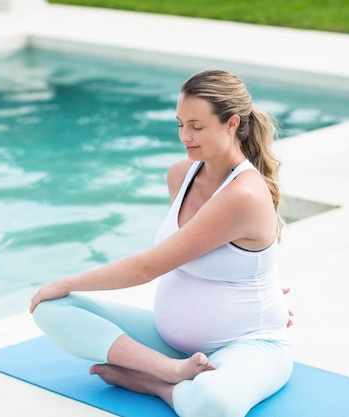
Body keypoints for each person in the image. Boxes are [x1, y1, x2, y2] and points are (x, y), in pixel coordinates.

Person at [29, 69, 293, 417]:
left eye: (197, 126)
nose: (185, 136)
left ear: (232, 123)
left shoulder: (243, 194)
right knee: (51, 309)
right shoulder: (181, 174)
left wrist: (63, 281)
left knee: (213, 404)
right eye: (180, 123)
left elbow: (147, 267)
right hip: (169, 345)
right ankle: (167, 370)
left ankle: (154, 384)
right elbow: (193, 253)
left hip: (245, 345)